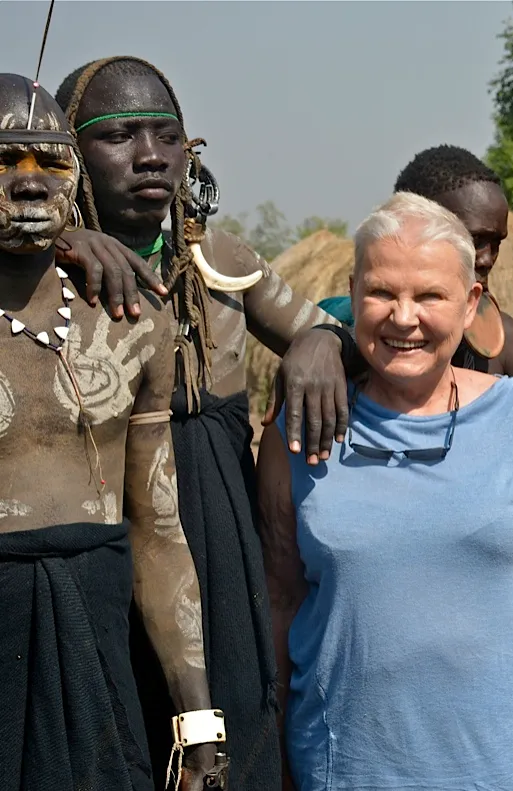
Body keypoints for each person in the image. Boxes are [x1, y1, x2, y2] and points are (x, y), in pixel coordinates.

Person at [55, 56, 344, 791]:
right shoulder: (41, 276)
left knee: (235, 720)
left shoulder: (220, 263)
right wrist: (60, 239)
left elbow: (331, 333)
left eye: (168, 136)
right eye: (119, 135)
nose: (150, 156)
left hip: (220, 537)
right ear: (68, 154)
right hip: (104, 541)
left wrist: (315, 342)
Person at [258, 192, 513, 790]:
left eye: (429, 296)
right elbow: (280, 601)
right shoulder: (297, 434)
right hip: (345, 770)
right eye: (382, 293)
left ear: (470, 303)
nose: (403, 317)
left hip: (510, 768)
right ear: (353, 290)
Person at [0, 73, 219, 791]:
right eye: (4, 161)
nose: (29, 184)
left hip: (96, 658)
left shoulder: (130, 325)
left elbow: (159, 532)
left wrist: (198, 729)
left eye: (50, 164)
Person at [317, 145, 513, 379]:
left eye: (496, 243)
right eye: (474, 239)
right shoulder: (352, 330)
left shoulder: (505, 339)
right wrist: (322, 338)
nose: (486, 260)